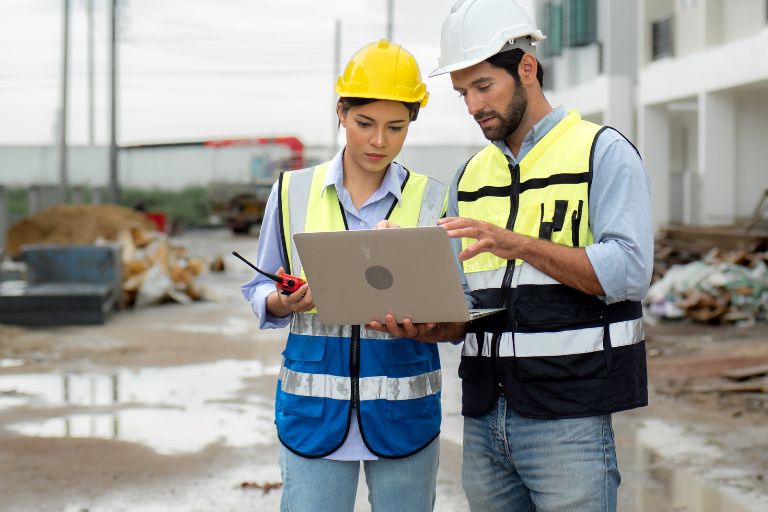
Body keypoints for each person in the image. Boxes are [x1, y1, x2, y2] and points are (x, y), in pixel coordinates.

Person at [367, 1, 653, 510]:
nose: (474, 106)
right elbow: (462, 304)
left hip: (570, 417)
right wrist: (431, 325)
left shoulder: (601, 152)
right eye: (462, 94)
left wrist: (516, 243)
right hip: (482, 417)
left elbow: (629, 273)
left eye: (483, 87)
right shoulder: (471, 175)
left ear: (525, 67)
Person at [240, 39, 448, 512]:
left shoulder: (432, 200)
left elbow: (453, 305)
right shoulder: (291, 191)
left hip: (403, 414)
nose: (379, 141)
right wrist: (281, 302)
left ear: (412, 122)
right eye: (365, 124)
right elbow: (260, 287)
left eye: (396, 127)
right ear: (340, 113)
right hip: (315, 414)